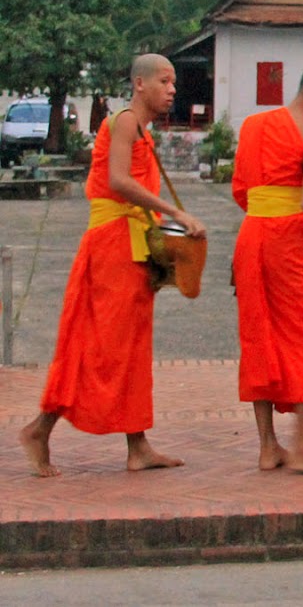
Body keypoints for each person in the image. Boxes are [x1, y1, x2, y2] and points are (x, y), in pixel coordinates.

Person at [20, 54, 206, 478]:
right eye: (164, 80)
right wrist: (176, 215)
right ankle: (39, 429)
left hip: (134, 243)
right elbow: (120, 181)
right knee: (97, 343)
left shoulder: (144, 131)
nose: (172, 89)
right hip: (112, 244)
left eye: (173, 81)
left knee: (132, 345)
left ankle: (137, 445)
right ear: (139, 84)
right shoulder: (122, 121)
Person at [233, 59, 303, 474]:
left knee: (258, 335)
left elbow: (241, 190)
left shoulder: (252, 126)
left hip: (251, 237)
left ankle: (269, 447)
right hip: (285, 239)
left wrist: (265, 216)